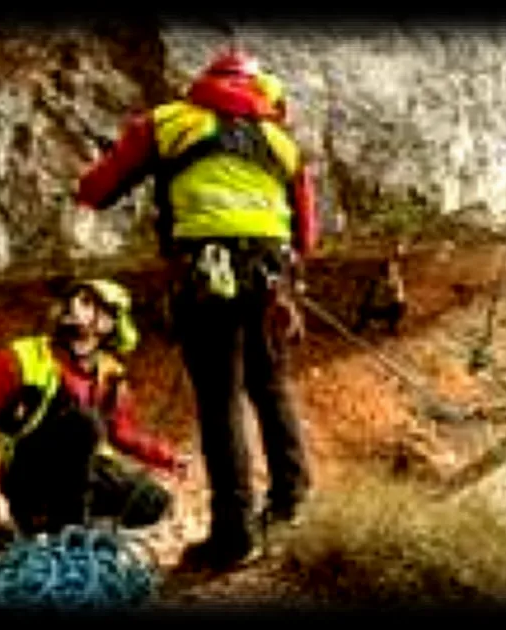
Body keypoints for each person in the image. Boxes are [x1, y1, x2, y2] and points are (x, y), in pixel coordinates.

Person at [74, 48, 318, 571]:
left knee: (221, 400)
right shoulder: (282, 140)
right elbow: (308, 234)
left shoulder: (166, 123)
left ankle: (235, 536)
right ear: (262, 91)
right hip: (271, 278)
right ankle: (292, 506)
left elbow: (95, 191)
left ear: (203, 83)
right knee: (271, 387)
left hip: (205, 274)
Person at [0, 279, 187, 535]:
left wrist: (168, 458)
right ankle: (66, 531)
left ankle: (57, 519)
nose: (72, 304)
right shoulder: (20, 358)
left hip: (79, 476)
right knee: (83, 424)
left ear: (107, 323)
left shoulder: (111, 374)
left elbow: (122, 431)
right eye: (72, 298)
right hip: (21, 473)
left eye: (87, 302)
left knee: (152, 501)